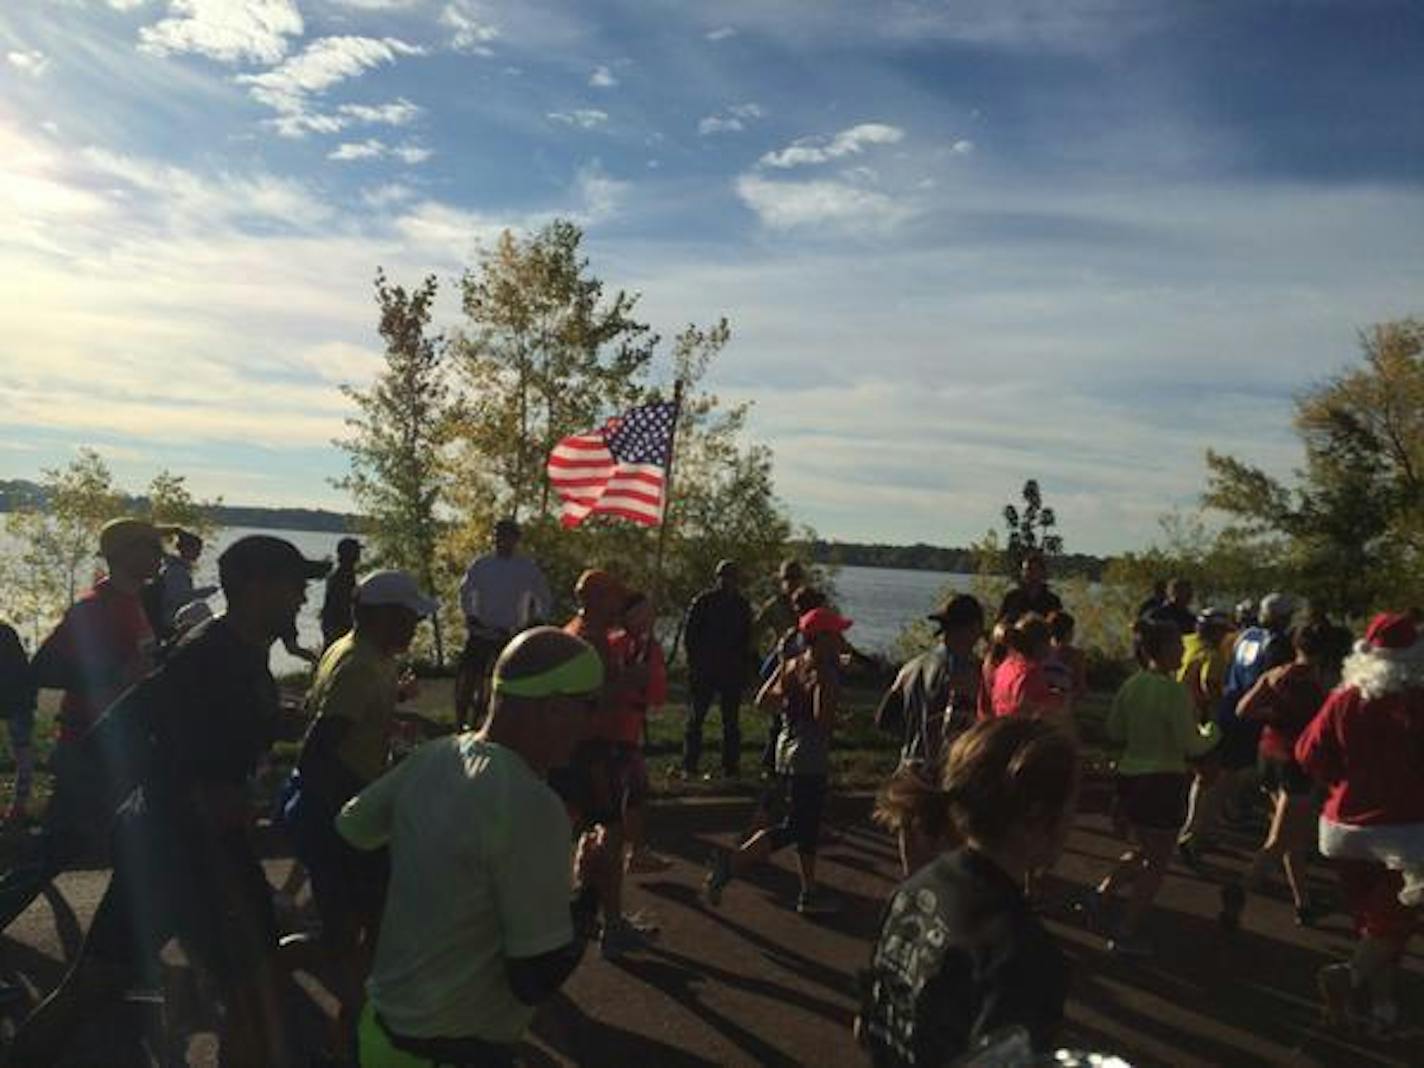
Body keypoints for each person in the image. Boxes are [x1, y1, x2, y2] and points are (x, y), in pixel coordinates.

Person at [9, 534, 330, 1067]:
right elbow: (115, 734)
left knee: (238, 995)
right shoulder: (207, 655)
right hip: (182, 854)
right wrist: (171, 799)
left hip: (187, 852)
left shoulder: (244, 657)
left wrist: (277, 722)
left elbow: (216, 730)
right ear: (255, 587)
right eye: (295, 585)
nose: (301, 597)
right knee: (251, 997)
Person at [335, 627, 612, 1067]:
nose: (594, 722)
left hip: (380, 1033)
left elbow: (351, 831)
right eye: (590, 705)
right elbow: (534, 978)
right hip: (456, 1051)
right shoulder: (531, 804)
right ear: (554, 707)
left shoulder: (434, 756)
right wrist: (590, 892)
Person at [858, 717, 1077, 1065]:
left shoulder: (916, 889)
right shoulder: (1021, 953)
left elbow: (868, 1023)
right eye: (1068, 806)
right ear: (1036, 817)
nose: (1072, 821)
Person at [287, 569, 436, 1055]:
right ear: (380, 616)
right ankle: (347, 1026)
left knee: (359, 926)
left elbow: (350, 719)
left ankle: (347, 1022)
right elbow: (317, 754)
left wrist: (394, 718)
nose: (414, 626)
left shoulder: (367, 655)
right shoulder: (357, 665)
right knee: (367, 925)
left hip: (347, 813)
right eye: (408, 616)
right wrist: (357, 819)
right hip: (339, 818)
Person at [1296, 612, 1424, 1036]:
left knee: (1374, 923)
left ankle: (1380, 1006)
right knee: (1393, 923)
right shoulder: (1416, 700)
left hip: (1345, 827)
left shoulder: (1344, 697)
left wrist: (1339, 781)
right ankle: (1349, 977)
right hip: (1406, 831)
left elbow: (1309, 752)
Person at [706, 606, 851, 915]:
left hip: (786, 752)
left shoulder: (791, 665)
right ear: (822, 637)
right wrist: (840, 722)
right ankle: (731, 864)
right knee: (797, 827)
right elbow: (822, 720)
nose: (842, 637)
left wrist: (790, 697)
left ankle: (809, 891)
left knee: (806, 826)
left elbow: (763, 702)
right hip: (810, 758)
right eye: (837, 632)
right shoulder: (824, 671)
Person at [1087, 619, 1219, 957]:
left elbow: (1115, 730)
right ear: (1158, 651)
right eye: (1176, 645)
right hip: (1164, 781)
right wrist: (1214, 729)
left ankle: (1101, 895)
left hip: (1131, 779)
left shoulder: (1131, 685)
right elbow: (1192, 745)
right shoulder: (1174, 693)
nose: (1181, 650)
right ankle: (1126, 932)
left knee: (1144, 848)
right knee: (1158, 861)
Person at [560, 569, 656, 959]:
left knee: (585, 830)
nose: (621, 604)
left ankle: (586, 906)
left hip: (574, 748)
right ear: (598, 598)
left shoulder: (574, 631)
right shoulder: (590, 640)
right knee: (611, 833)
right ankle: (611, 925)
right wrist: (633, 678)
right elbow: (594, 696)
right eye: (616, 597)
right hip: (590, 750)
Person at [1218, 620, 1331, 931]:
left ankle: (1303, 903)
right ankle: (1241, 887)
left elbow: (1242, 710)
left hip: (1269, 756)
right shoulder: (1319, 685)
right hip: (1298, 765)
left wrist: (1272, 716)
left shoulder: (1275, 676)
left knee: (1293, 837)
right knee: (1280, 840)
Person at [1180, 593, 1296, 857]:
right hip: (1253, 715)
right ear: (1285, 618)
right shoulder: (1278, 645)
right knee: (1244, 775)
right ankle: (1277, 840)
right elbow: (1276, 684)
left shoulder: (1243, 636)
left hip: (1230, 707)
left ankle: (1200, 828)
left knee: (1223, 773)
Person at [455, 518, 552, 729]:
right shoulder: (481, 565)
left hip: (509, 635)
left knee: (502, 683)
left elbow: (544, 596)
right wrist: (470, 614)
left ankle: (492, 724)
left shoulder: (526, 568)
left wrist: (537, 622)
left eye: (506, 535)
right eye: (497, 535)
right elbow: (465, 591)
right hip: (481, 631)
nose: (500, 540)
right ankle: (459, 722)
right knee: (468, 679)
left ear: (515, 539)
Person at [876, 594, 985, 772]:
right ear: (974, 627)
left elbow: (883, 720)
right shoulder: (968, 673)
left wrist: (913, 734)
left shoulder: (911, 667)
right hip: (942, 773)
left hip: (907, 768)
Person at [609, 591, 670, 875]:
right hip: (611, 728)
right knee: (627, 790)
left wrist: (650, 676)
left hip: (630, 727)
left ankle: (634, 850)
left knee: (633, 791)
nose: (648, 619)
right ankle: (629, 851)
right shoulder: (613, 644)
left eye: (650, 613)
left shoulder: (651, 649)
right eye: (642, 613)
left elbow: (656, 698)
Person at [681, 559, 753, 780]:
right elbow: (690, 636)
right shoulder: (703, 601)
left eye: (731, 577)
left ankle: (731, 766)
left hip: (730, 671)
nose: (728, 582)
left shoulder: (742, 606)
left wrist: (745, 668)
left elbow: (747, 639)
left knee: (731, 721)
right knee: (696, 719)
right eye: (724, 577)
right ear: (718, 577)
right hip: (705, 669)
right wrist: (693, 664)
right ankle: (689, 765)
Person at [754, 559, 807, 772]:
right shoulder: (774, 605)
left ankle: (789, 764)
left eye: (795, 578)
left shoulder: (808, 603)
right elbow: (755, 633)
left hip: (806, 664)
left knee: (801, 718)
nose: (791, 583)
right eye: (787, 578)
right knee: (779, 716)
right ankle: (772, 764)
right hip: (783, 662)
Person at [990, 614, 1066, 721]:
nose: (1051, 647)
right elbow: (1025, 709)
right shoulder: (1030, 673)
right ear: (1039, 644)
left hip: (1000, 726)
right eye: (1048, 642)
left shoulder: (1005, 666)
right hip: (1021, 731)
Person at [1, 621, 36, 824]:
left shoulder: (6, 633)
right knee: (23, 751)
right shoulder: (7, 632)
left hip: (16, 700)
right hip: (19, 700)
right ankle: (19, 807)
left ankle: (18, 807)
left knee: (22, 751)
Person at [155, 529, 217, 634]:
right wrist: (206, 592)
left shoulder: (178, 568)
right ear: (184, 549)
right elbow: (178, 598)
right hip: (171, 620)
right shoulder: (176, 571)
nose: (199, 553)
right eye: (196, 550)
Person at [996, 551, 1063, 624]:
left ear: (1042, 572)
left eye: (1033, 570)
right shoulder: (1011, 598)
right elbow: (998, 625)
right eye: (1026, 570)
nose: (1029, 573)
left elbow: (1059, 629)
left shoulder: (1052, 601)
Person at [320, 536, 363, 647]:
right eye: (357, 551)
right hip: (337, 625)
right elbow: (344, 602)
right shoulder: (344, 574)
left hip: (333, 623)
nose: (359, 555)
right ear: (350, 553)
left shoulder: (342, 572)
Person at [1044, 610, 1088, 707]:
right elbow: (1081, 687)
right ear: (1068, 632)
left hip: (1048, 702)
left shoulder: (1041, 652)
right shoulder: (1076, 655)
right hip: (1060, 704)